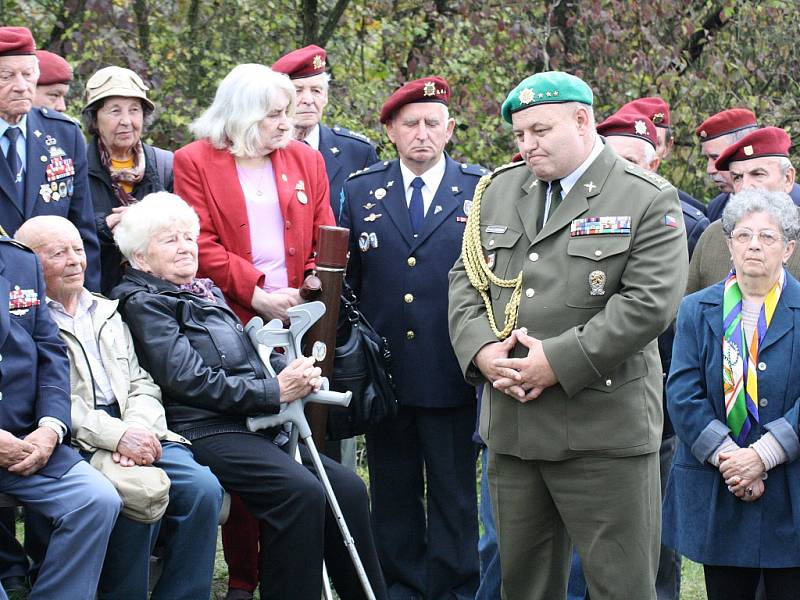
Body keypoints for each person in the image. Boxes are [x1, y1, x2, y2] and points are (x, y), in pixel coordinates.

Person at [448, 71, 688, 599]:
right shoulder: (500, 190)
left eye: (539, 131)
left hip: (603, 432)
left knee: (619, 586)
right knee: (524, 586)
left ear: (582, 120)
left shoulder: (645, 196)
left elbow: (650, 304)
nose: (527, 145)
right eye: (518, 135)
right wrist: (482, 351)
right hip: (514, 426)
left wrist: (558, 361)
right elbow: (467, 277)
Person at [110, 192, 387, 600]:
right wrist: (273, 390)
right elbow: (185, 379)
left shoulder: (203, 290)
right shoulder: (143, 301)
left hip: (249, 419)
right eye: (169, 240)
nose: (186, 246)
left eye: (188, 236)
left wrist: (287, 373)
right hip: (201, 426)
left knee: (346, 488)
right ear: (140, 257)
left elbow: (243, 358)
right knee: (299, 494)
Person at [173, 62, 335, 600]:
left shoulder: (305, 158)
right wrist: (257, 290)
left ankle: (300, 568)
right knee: (249, 443)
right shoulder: (194, 161)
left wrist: (315, 277)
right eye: (274, 115)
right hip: (232, 319)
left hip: (299, 319)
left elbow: (323, 232)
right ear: (242, 117)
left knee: (298, 438)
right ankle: (244, 575)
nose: (288, 123)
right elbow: (198, 242)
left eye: (288, 112)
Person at [15, 214, 224, 600]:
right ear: (29, 261)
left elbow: (142, 381)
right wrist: (117, 436)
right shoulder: (24, 319)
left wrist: (137, 428)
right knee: (136, 491)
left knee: (202, 488)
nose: (76, 260)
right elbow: (44, 398)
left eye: (78, 249)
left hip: (136, 425)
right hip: (74, 434)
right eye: (59, 253)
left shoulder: (106, 310)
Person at [340, 76, 486, 600]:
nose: (422, 134)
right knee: (393, 492)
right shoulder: (360, 190)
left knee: (452, 494)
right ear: (390, 131)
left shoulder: (479, 189)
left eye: (432, 123)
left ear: (449, 129)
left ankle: (454, 589)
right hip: (387, 375)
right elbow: (347, 284)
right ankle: (400, 587)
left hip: (452, 369)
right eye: (410, 124)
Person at [663, 189, 800, 600]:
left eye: (767, 237)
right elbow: (682, 393)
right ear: (729, 245)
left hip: (790, 491)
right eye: (743, 235)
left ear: (788, 249)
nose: (754, 245)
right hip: (719, 485)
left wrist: (763, 456)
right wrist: (731, 459)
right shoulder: (696, 308)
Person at [0, 234, 121, 600]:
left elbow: (49, 352)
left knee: (97, 499)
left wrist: (50, 427)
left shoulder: (19, 261)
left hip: (26, 440)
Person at [0, 27, 100, 289]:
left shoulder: (64, 134)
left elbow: (83, 227)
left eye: (28, 74)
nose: (21, 86)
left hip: (55, 292)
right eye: (6, 76)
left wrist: (88, 304)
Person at [82, 66, 174, 296]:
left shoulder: (165, 164)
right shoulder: (77, 167)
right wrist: (106, 224)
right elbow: (68, 229)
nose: (126, 121)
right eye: (115, 111)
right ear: (94, 119)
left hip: (159, 296)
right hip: (99, 292)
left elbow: (184, 228)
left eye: (134, 110)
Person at [272, 45, 379, 222]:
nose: (308, 100)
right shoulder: (263, 150)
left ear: (326, 97)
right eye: (298, 91)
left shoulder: (358, 153)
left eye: (316, 90)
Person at [687, 126, 800, 293]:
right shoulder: (714, 235)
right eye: (738, 177)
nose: (746, 186)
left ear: (788, 178)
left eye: (758, 174)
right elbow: (687, 312)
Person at [619, 95, 707, 215]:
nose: (647, 152)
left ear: (668, 146)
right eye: (636, 145)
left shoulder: (688, 214)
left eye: (655, 143)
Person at [696, 108, 758, 222]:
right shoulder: (716, 207)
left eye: (717, 158)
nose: (710, 169)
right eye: (707, 158)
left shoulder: (794, 202)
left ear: (745, 152)